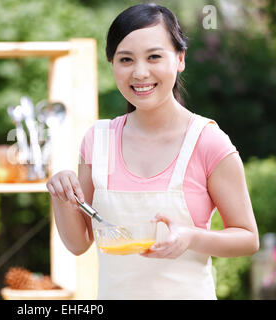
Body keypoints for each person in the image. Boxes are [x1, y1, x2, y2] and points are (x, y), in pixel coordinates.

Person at [46, 3, 259, 299]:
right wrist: (61, 195)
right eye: (126, 59)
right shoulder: (97, 140)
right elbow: (79, 243)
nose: (140, 72)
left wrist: (191, 237)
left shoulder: (207, 141)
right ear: (113, 65)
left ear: (180, 59)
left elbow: (248, 238)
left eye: (154, 57)